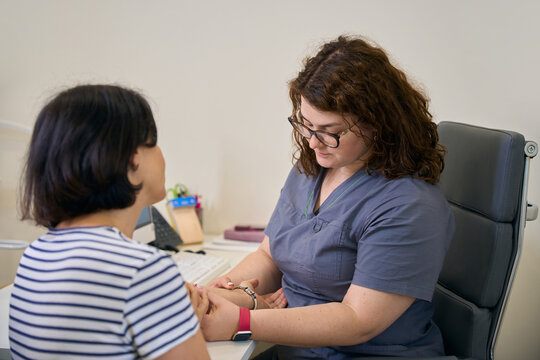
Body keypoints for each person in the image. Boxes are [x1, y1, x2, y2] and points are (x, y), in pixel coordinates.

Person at [202, 35, 455, 359]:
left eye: (329, 131)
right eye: (305, 124)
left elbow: (357, 320)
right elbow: (269, 257)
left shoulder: (410, 206)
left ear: (377, 125)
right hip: (298, 349)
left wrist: (242, 321)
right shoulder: (312, 168)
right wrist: (219, 291)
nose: (311, 141)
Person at [10, 85, 210, 360]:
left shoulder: (34, 256)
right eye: (155, 142)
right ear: (133, 156)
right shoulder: (143, 270)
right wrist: (183, 326)